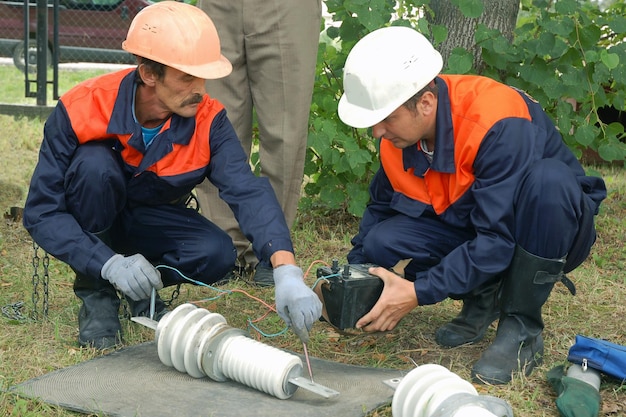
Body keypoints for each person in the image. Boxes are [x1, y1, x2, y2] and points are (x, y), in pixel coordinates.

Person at [22, 1, 321, 351]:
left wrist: (285, 267)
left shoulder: (209, 120)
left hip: (148, 215)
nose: (201, 89)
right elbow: (41, 212)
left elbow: (247, 192)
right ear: (149, 74)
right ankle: (99, 295)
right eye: (186, 77)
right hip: (95, 213)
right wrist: (108, 264)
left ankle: (140, 287)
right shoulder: (81, 107)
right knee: (95, 167)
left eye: (203, 75)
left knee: (217, 253)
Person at [336, 26, 607, 385]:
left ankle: (521, 327)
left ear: (426, 103)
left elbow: (498, 239)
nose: (377, 133)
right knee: (382, 240)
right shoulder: (400, 134)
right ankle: (483, 299)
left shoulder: (496, 120)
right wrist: (349, 278)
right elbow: (381, 209)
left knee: (549, 182)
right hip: (477, 223)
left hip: (548, 228)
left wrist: (418, 292)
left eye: (385, 119)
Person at [194, 0, 322, 285]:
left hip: (286, 7)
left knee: (284, 133)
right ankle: (225, 251)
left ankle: (272, 251)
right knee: (215, 124)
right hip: (217, 7)